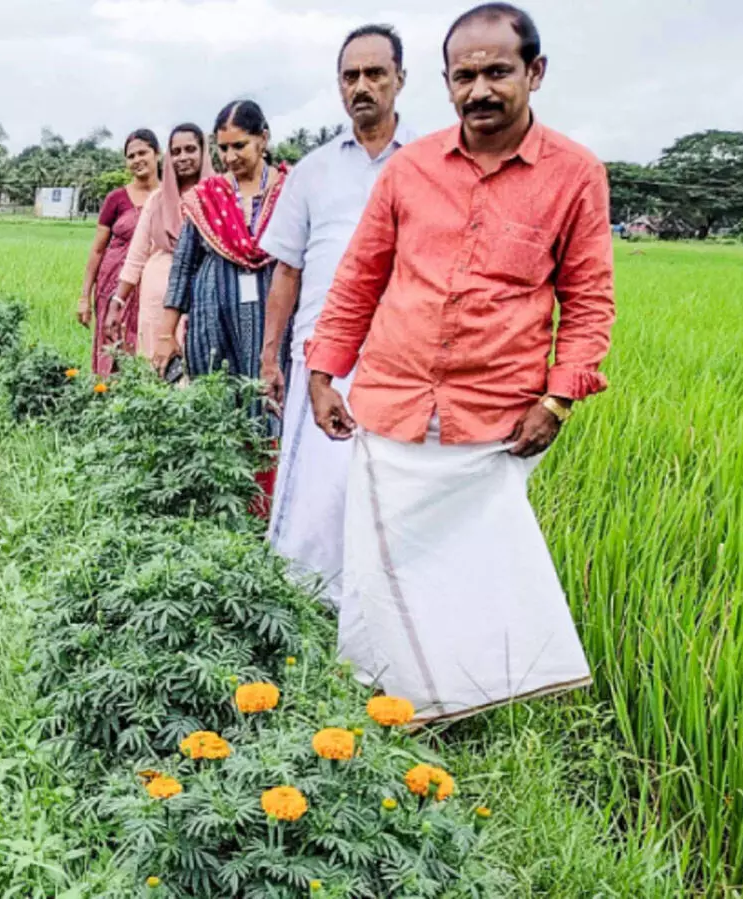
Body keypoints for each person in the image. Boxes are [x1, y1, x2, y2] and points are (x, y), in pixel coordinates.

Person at [305, 3, 616, 723]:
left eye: (497, 72)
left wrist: (558, 398)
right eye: (463, 76)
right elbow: (359, 277)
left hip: (496, 418)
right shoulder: (410, 169)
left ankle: (460, 704)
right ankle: (390, 704)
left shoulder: (575, 175)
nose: (479, 90)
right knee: (381, 568)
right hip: (392, 400)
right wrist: (323, 372)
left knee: (470, 569)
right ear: (444, 82)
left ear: (535, 73)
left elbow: (589, 300)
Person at [258, 24, 415, 609]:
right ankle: (307, 608)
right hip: (323, 357)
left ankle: (380, 609)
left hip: (406, 359)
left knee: (391, 488)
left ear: (401, 78)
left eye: (376, 73)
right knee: (316, 491)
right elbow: (287, 270)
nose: (362, 86)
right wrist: (271, 356)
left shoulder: (429, 163)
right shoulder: (313, 171)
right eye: (351, 76)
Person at [154, 101, 290, 411]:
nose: (229, 157)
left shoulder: (290, 190)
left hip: (273, 322)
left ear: (263, 139)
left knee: (269, 401)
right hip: (212, 321)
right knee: (216, 407)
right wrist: (165, 334)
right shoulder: (207, 196)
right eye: (223, 148)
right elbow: (183, 267)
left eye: (239, 146)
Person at [106, 124, 216, 364]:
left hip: (205, 296)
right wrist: (117, 302)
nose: (183, 157)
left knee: (203, 368)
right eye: (176, 152)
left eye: (190, 149)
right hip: (157, 300)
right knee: (158, 368)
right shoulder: (157, 200)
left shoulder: (219, 197)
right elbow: (136, 256)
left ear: (204, 151)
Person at [78, 129, 161, 376]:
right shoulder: (116, 199)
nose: (137, 160)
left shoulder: (169, 196)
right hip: (112, 288)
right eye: (131, 156)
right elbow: (97, 250)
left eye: (142, 153)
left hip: (152, 287)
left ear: (157, 154)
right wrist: (84, 297)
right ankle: (107, 395)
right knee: (111, 347)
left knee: (148, 346)